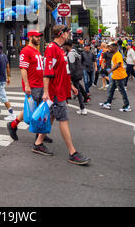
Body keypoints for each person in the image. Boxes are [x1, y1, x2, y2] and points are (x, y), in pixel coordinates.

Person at [41, 25, 91, 165]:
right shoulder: (51, 48)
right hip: (55, 92)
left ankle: (38, 142)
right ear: (61, 34)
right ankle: (72, 152)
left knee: (51, 116)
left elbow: (62, 71)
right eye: (67, 32)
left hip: (61, 90)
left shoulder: (60, 49)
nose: (69, 34)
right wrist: (46, 92)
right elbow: (47, 72)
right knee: (63, 119)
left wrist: (71, 86)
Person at [7, 30, 52, 148]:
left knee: (38, 109)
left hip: (40, 84)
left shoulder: (36, 51)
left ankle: (16, 125)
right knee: (35, 110)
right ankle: (38, 136)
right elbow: (23, 69)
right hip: (32, 86)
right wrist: (27, 85)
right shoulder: (25, 51)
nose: (39, 39)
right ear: (30, 37)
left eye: (39, 37)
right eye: (37, 37)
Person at [100, 43, 132, 112]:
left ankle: (127, 106)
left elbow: (118, 64)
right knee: (111, 90)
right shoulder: (114, 54)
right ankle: (108, 103)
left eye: (111, 47)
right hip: (115, 76)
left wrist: (109, 71)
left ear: (115, 48)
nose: (109, 49)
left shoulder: (118, 55)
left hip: (119, 76)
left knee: (122, 91)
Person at [0, 42, 16, 121]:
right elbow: (8, 67)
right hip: (3, 79)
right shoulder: (4, 56)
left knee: (4, 98)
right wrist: (8, 77)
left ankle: (12, 114)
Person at [65, 40, 89, 115]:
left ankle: (83, 108)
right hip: (78, 73)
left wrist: (69, 77)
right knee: (78, 87)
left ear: (67, 46)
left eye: (64, 46)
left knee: (76, 91)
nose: (63, 47)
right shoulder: (75, 52)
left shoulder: (71, 54)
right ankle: (86, 97)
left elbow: (72, 67)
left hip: (74, 75)